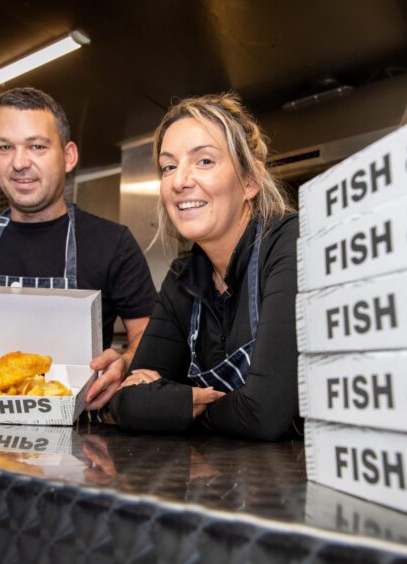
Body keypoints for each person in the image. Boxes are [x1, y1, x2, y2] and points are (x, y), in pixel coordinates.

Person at [0, 87, 157, 409]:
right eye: (6, 147)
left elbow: (147, 335)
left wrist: (125, 360)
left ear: (69, 156)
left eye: (37, 146)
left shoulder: (113, 243)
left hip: (74, 437)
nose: (20, 162)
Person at [91, 93, 300, 441]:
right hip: (223, 481)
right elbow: (126, 402)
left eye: (204, 161)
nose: (179, 181)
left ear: (250, 181)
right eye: (169, 166)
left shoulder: (289, 244)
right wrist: (188, 402)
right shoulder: (182, 277)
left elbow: (264, 413)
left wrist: (175, 403)